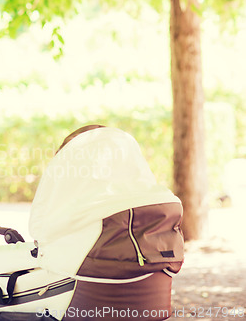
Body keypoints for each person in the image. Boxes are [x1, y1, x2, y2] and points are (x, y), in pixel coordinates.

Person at [29, 124, 184, 320]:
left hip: (85, 296)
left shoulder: (89, 213)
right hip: (152, 300)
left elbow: (44, 232)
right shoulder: (139, 201)